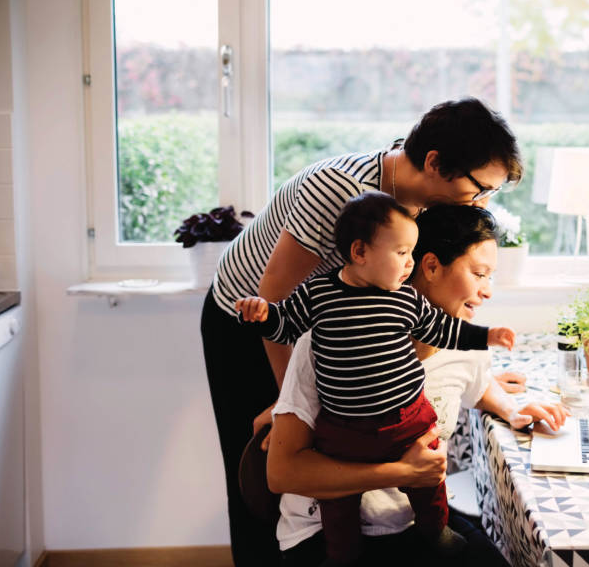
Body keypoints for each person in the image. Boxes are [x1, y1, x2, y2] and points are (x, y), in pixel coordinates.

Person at [200, 98, 523, 566]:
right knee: (260, 467)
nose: (482, 203)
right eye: (479, 188)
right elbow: (275, 297)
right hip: (249, 316)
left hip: (315, 317)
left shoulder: (419, 192)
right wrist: (286, 400)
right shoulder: (338, 190)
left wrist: (483, 380)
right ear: (434, 163)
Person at [266, 205, 569, 567]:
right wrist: (402, 473)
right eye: (478, 274)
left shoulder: (464, 344)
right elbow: (280, 474)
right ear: (429, 266)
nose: (487, 292)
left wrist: (510, 407)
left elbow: (476, 384)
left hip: (413, 521)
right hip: (325, 532)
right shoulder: (330, 340)